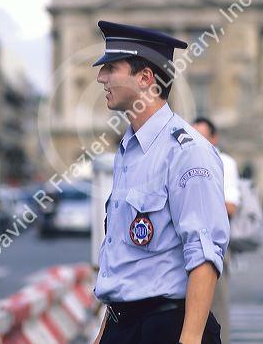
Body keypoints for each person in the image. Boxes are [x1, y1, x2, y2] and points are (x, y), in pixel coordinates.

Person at [92, 21, 230, 344]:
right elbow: (124, 260)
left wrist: (190, 339)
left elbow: (204, 254)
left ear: (145, 78)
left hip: (167, 327)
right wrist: (103, 333)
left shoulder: (187, 151)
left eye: (111, 68)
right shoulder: (127, 150)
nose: (101, 77)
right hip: (122, 326)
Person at [193, 117, 240, 344]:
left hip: (214, 247)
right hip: (186, 246)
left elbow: (231, 205)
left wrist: (196, 205)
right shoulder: (185, 159)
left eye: (203, 136)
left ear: (214, 139)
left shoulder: (223, 162)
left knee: (217, 311)